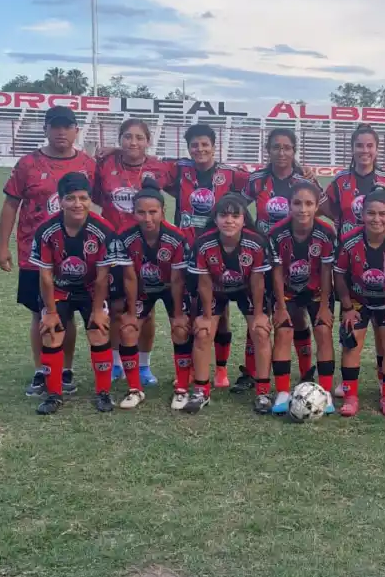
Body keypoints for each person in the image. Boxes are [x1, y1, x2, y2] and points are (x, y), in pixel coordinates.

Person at [0, 106, 96, 398]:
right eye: (55, 126)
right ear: (45, 129)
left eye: (67, 126)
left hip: (76, 255)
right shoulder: (28, 163)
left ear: (76, 130)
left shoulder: (88, 164)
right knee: (39, 313)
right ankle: (43, 370)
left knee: (67, 315)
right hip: (34, 252)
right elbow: (11, 204)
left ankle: (64, 370)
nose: (61, 132)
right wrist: (2, 245)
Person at [233, 128, 323, 394]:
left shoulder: (302, 180)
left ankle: (307, 371)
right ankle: (251, 372)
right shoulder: (257, 180)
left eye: (286, 147)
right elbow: (236, 205)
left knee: (295, 313)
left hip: (295, 258)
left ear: (294, 150)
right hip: (261, 258)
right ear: (268, 150)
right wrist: (251, 233)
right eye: (276, 147)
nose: (281, 152)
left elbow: (323, 207)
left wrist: (315, 181)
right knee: (258, 313)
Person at [30, 173, 127, 415]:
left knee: (98, 330)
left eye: (83, 198)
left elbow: (103, 276)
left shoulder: (103, 229)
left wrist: (97, 310)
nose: (77, 204)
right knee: (51, 332)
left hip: (91, 289)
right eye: (70, 198)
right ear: (60, 201)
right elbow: (44, 275)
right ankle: (54, 395)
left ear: (90, 200)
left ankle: (103, 393)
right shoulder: (46, 230)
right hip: (60, 289)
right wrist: (50, 312)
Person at [164, 124, 250, 389]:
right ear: (188, 148)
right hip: (189, 253)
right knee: (194, 312)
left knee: (220, 313)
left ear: (214, 146)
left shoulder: (231, 175)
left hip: (221, 252)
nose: (199, 149)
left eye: (205, 144)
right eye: (194, 145)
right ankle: (190, 368)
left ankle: (221, 370)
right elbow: (144, 164)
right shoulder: (179, 170)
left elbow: (262, 180)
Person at [320, 123, 385, 392]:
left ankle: (383, 380)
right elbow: (323, 206)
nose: (364, 150)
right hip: (350, 258)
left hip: (382, 258)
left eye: (369, 145)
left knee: (383, 329)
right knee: (351, 321)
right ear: (352, 148)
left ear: (377, 149)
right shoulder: (341, 180)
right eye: (359, 145)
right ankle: (347, 383)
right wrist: (338, 221)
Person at [94, 118, 170, 386]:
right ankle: (116, 363)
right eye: (127, 137)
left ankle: (144, 365)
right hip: (114, 246)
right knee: (116, 307)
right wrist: (113, 153)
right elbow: (95, 197)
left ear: (148, 140)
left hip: (149, 247)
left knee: (146, 311)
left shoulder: (160, 168)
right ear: (120, 139)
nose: (133, 142)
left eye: (139, 137)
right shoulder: (105, 165)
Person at [184, 193, 273, 414]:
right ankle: (201, 391)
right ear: (215, 219)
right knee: (203, 333)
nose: (229, 220)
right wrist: (205, 316)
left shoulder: (256, 242)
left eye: (235, 215)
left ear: (244, 219)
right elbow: (203, 282)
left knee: (261, 331)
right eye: (223, 215)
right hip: (215, 289)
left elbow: (257, 280)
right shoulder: (203, 243)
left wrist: (260, 313)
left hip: (246, 289)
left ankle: (263, 391)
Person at [333, 188, 385, 418]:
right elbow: (339, 274)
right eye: (371, 213)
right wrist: (347, 308)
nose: (376, 219)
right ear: (362, 215)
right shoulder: (349, 242)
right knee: (351, 340)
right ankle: (350, 397)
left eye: (382, 214)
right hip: (357, 301)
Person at [114, 179, 191, 410]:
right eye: (141, 212)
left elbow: (178, 280)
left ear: (163, 211)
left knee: (180, 328)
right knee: (127, 330)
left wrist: (178, 313)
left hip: (170, 288)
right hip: (143, 289)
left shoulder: (176, 237)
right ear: (133, 212)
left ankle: (182, 389)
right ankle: (135, 389)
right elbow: (129, 277)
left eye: (153, 212)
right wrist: (130, 311)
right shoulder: (125, 238)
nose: (147, 218)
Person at [268, 182, 337, 415]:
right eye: (297, 203)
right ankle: (283, 391)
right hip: (286, 290)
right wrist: (279, 306)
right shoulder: (276, 233)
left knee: (323, 330)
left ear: (317, 206)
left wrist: (326, 306)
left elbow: (327, 271)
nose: (303, 209)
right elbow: (276, 272)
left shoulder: (326, 232)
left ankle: (325, 392)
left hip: (317, 290)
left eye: (309, 203)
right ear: (289, 205)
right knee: (284, 331)